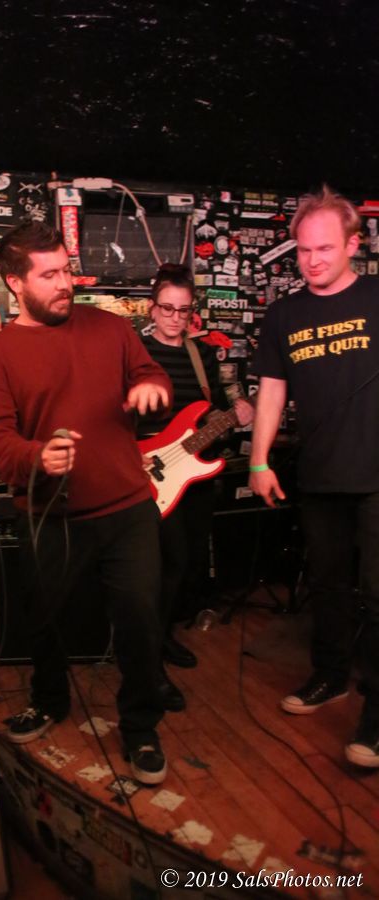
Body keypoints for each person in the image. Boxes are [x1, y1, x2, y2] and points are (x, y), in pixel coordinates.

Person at [0, 222, 172, 785]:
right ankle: (49, 699)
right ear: (15, 283)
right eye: (49, 275)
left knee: (140, 619)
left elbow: (150, 371)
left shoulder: (111, 327)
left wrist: (152, 387)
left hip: (127, 508)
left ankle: (141, 726)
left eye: (67, 269)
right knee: (45, 619)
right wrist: (37, 456)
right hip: (51, 517)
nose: (66, 283)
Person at [249, 184, 379, 768]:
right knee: (327, 587)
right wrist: (259, 460)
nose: (312, 260)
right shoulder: (285, 313)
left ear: (353, 244)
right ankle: (330, 676)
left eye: (325, 248)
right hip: (320, 473)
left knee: (378, 595)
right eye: (303, 250)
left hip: (377, 475)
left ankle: (378, 714)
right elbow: (272, 391)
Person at [138, 265, 253, 694]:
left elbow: (212, 411)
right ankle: (148, 650)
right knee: (166, 562)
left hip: (194, 475)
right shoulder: (135, 351)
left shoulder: (200, 355)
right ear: (152, 308)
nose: (175, 317)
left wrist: (237, 415)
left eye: (183, 310)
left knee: (185, 564)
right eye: (167, 308)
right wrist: (132, 455)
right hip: (150, 470)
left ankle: (163, 635)